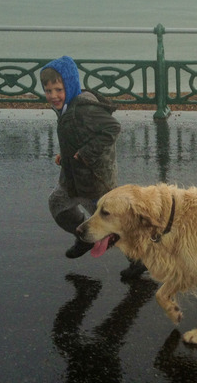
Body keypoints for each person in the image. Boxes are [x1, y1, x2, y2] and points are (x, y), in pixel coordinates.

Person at [40, 56, 146, 281]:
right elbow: (77, 134)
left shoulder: (84, 108)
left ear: (69, 85)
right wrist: (65, 155)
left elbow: (112, 128)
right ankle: (84, 237)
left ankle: (139, 260)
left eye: (58, 89)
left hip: (93, 179)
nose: (53, 96)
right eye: (48, 91)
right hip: (73, 177)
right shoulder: (67, 107)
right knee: (57, 204)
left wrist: (86, 153)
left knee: (111, 223)